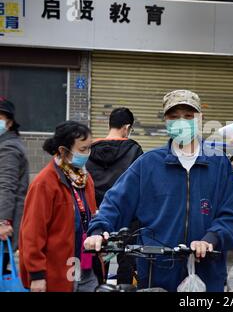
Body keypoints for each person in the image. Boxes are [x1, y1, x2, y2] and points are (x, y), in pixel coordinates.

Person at [84, 90, 233, 292]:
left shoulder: (219, 164)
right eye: (174, 117)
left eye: (188, 116)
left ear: (199, 119)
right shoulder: (148, 164)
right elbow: (115, 202)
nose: (181, 122)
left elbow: (232, 215)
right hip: (156, 272)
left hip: (206, 273)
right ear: (166, 121)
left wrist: (210, 239)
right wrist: (98, 231)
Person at [19, 121, 102, 292]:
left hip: (85, 267)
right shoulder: (45, 183)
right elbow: (32, 233)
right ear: (64, 151)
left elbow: (92, 217)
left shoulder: (86, 180)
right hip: (56, 271)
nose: (87, 154)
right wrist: (37, 275)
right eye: (82, 149)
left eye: (89, 148)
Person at [86, 107, 143, 285]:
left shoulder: (89, 149)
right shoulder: (134, 150)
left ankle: (99, 287)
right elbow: (140, 186)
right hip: (127, 217)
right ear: (126, 128)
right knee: (126, 260)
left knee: (99, 256)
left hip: (97, 215)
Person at [0, 98, 29, 274]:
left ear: (9, 123)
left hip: (3, 227)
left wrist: (3, 222)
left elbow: (6, 186)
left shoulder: (8, 148)